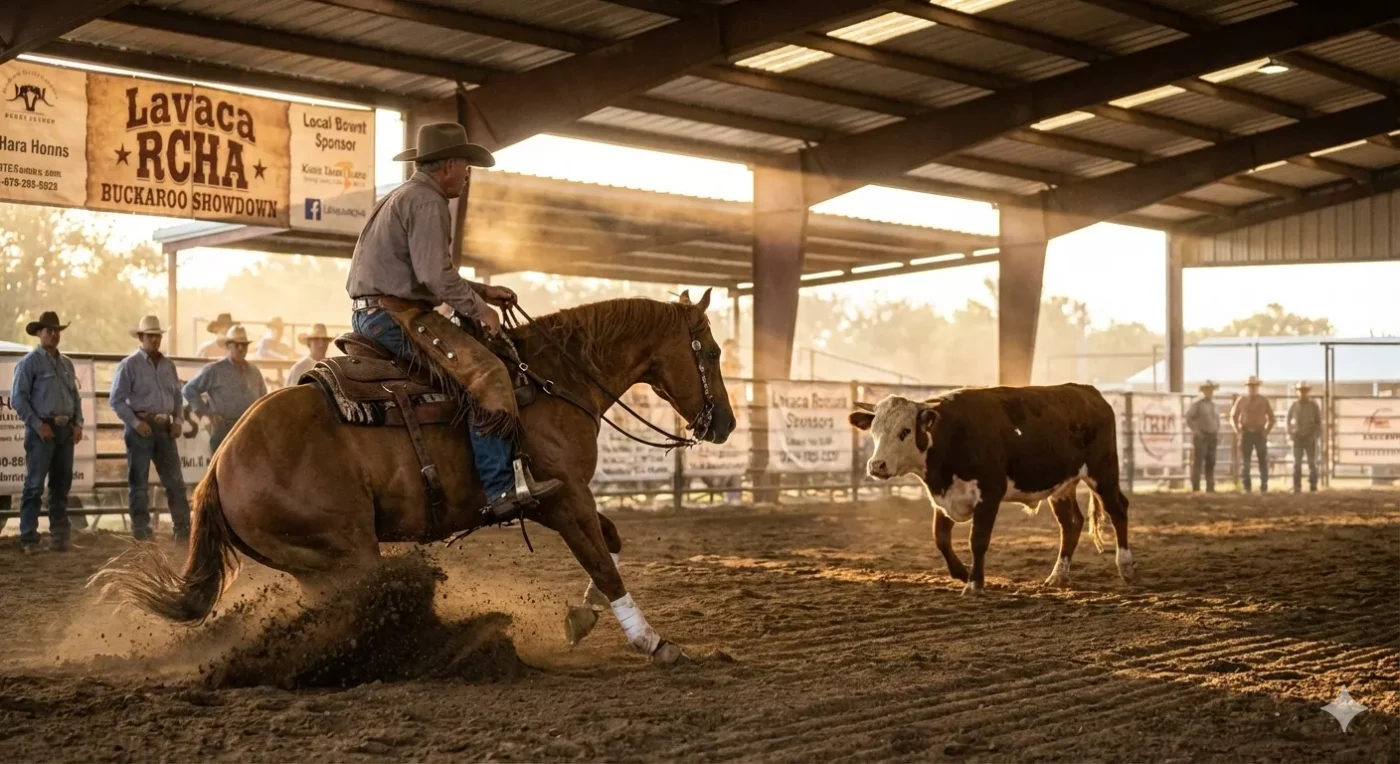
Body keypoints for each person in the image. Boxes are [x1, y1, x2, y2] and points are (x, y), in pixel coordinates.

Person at [346, 121, 560, 521]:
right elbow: (434, 277)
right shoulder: (428, 202)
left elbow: (425, 271)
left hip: (375, 311)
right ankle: (499, 488)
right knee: (489, 373)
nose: (467, 176)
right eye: (466, 167)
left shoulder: (403, 196)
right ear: (447, 165)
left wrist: (479, 290)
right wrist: (481, 309)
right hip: (396, 316)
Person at [110, 316, 190, 541]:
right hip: (140, 428)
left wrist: (177, 421)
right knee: (139, 482)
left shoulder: (168, 365)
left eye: (157, 336)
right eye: (150, 336)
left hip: (165, 427)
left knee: (175, 481)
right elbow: (116, 400)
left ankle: (183, 530)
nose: (154, 340)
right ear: (141, 338)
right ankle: (141, 531)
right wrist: (136, 423)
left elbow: (177, 396)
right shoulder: (129, 365)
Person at [10, 311, 83, 553]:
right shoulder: (29, 363)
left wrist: (78, 423)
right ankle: (29, 538)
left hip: (64, 428)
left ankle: (59, 537)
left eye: (56, 330)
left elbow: (75, 396)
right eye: (48, 330)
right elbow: (18, 399)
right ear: (39, 333)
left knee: (61, 484)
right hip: (42, 428)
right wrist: (37, 424)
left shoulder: (67, 364)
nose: (53, 334)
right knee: (34, 485)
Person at [183, 325, 268, 453]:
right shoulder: (214, 369)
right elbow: (189, 389)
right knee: (221, 469)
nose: (240, 348)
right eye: (236, 345)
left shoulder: (254, 372)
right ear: (228, 346)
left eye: (244, 345)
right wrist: (206, 413)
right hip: (224, 429)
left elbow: (263, 398)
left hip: (250, 429)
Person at [1230, 375, 1275, 493]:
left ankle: (1264, 486)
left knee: (1262, 461)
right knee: (1245, 461)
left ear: (1258, 387)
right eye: (1250, 386)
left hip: (1260, 433)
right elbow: (1233, 416)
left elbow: (1272, 418)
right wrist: (1238, 432)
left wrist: (1266, 431)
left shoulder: (1263, 400)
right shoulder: (1241, 400)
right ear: (1247, 387)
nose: (1252, 388)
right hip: (1246, 433)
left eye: (1254, 386)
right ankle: (1247, 487)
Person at [1184, 380, 1220, 493]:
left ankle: (1210, 487)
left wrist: (1217, 431)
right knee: (1198, 462)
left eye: (1210, 390)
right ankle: (1196, 487)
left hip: (1212, 436)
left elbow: (1216, 420)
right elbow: (1189, 418)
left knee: (1211, 462)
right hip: (1202, 436)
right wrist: (1196, 431)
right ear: (1203, 391)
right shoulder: (1197, 404)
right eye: (1207, 390)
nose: (1209, 392)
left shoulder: (1214, 405)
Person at [1288, 382, 1323, 493]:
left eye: (1305, 391)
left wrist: (1314, 436)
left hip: (1310, 438)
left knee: (1312, 463)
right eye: (1301, 390)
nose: (1303, 393)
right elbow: (1288, 421)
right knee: (1297, 463)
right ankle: (1297, 486)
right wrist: (1292, 434)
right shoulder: (1294, 405)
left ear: (1308, 392)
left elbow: (1318, 423)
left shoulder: (1313, 405)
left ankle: (1313, 486)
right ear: (1298, 392)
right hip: (1298, 438)